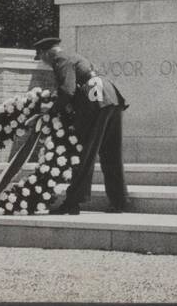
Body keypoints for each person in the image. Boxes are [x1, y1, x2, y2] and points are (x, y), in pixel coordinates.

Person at [32, 36, 130, 215]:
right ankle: (119, 201)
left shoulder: (60, 60)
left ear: (46, 53)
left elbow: (67, 90)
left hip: (94, 101)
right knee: (111, 153)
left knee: (84, 154)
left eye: (41, 58)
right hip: (111, 97)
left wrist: (51, 111)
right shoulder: (73, 56)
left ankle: (73, 203)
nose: (44, 63)